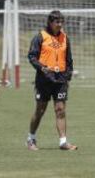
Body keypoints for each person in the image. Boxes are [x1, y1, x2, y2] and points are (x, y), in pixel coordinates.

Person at [26, 10, 77, 151]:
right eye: (57, 22)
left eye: (61, 22)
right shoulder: (40, 37)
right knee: (40, 110)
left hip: (60, 80)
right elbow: (31, 56)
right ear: (50, 22)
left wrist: (68, 75)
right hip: (44, 79)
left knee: (60, 110)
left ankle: (63, 142)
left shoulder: (65, 38)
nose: (60, 25)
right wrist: (42, 68)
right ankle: (31, 139)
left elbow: (69, 60)